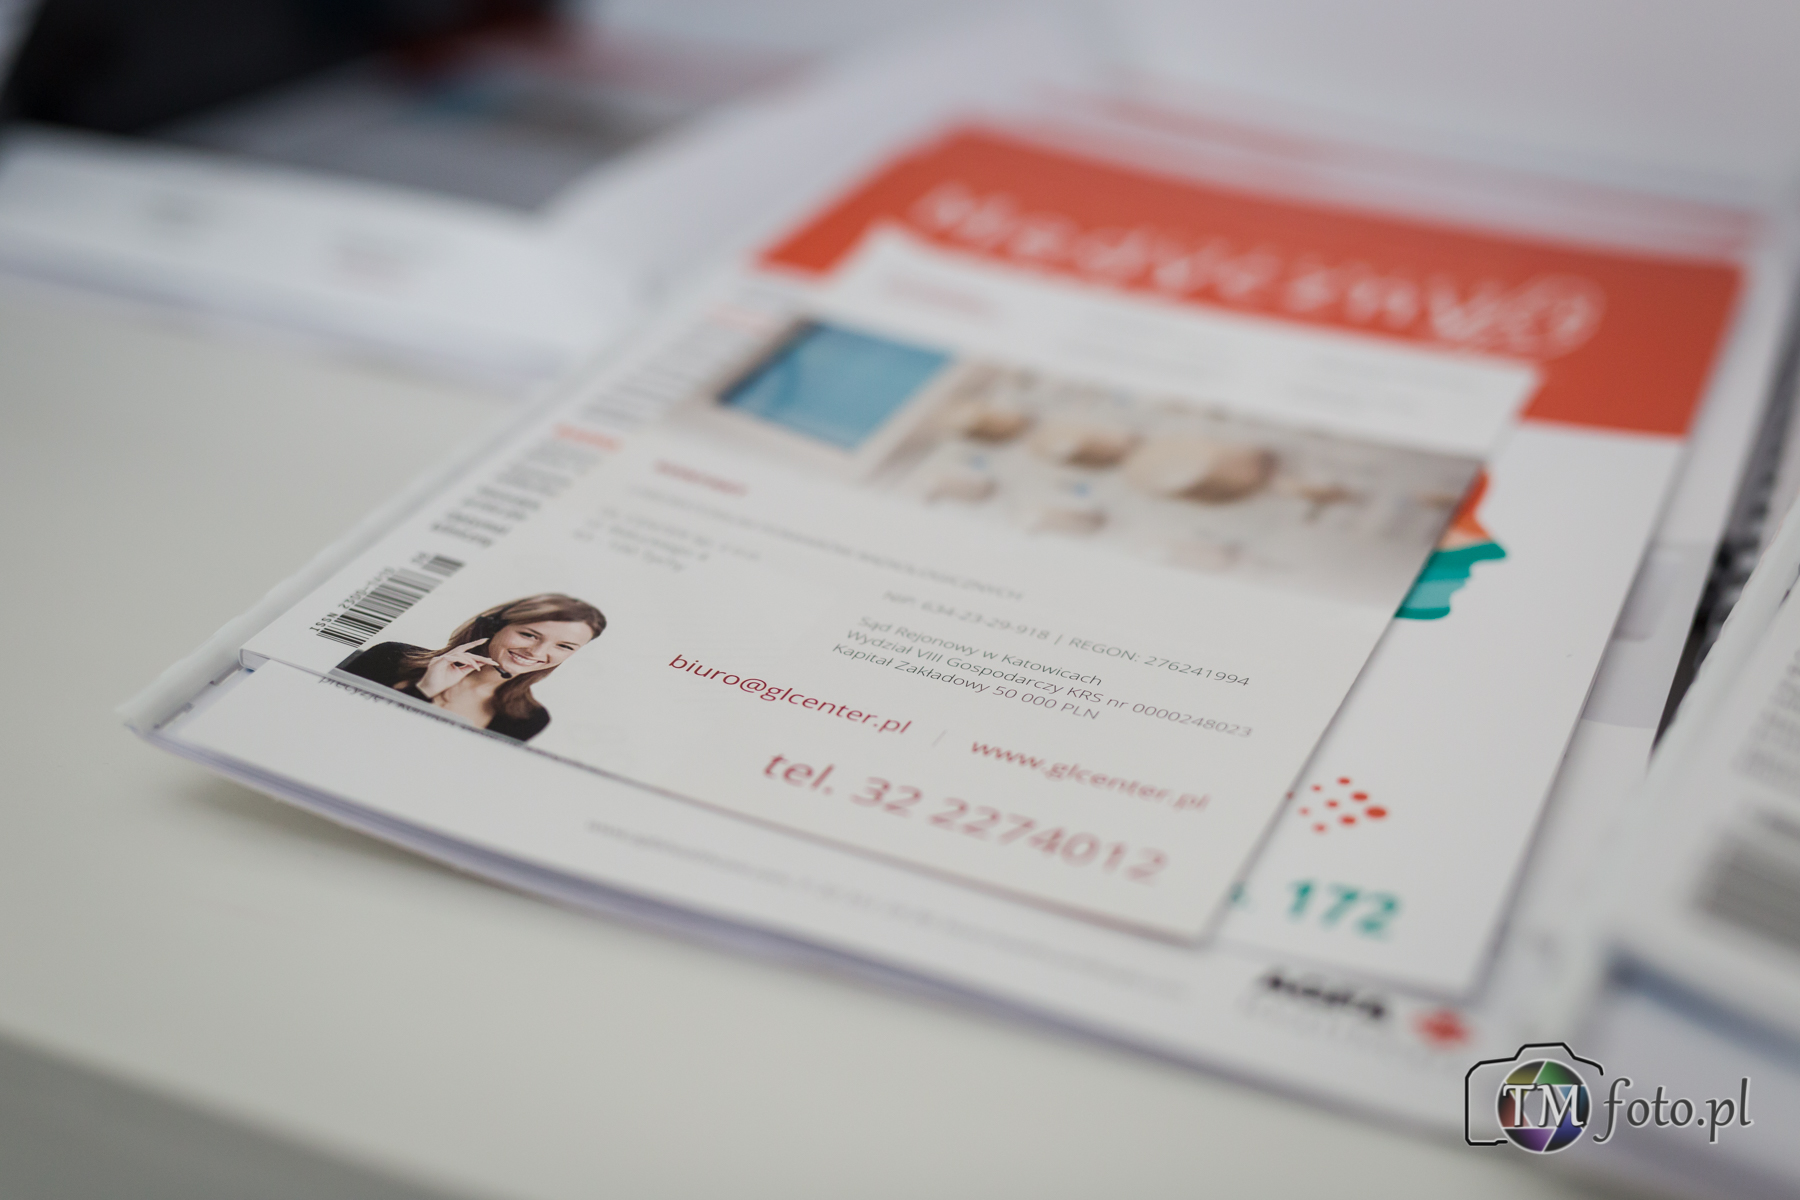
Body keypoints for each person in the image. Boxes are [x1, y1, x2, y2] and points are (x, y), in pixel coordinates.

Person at [338, 593, 605, 742]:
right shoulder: (391, 657)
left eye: (564, 646)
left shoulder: (527, 719)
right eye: (529, 635)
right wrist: (423, 691)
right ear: (493, 627)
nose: (537, 653)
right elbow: (341, 727)